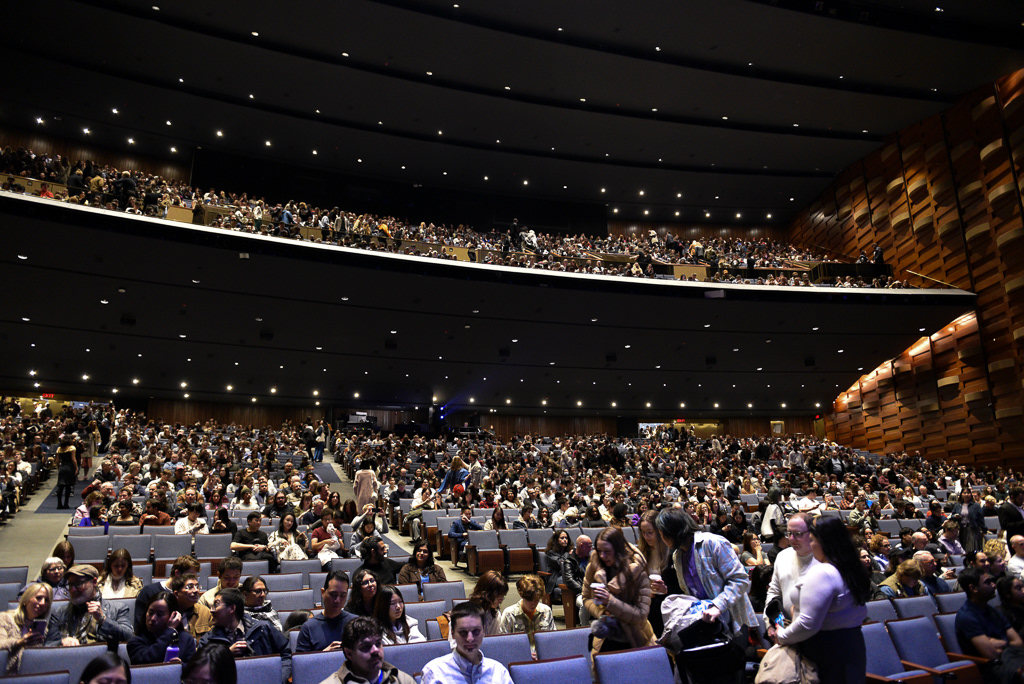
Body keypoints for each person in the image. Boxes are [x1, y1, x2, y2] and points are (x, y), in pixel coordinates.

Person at [775, 516, 870, 684]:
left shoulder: (824, 572)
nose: (810, 545)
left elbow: (807, 623)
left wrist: (781, 635)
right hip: (851, 646)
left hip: (825, 651)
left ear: (825, 542)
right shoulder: (850, 568)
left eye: (812, 540)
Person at [655, 507, 756, 646]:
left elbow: (740, 579)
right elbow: (689, 593)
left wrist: (718, 606)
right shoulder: (677, 556)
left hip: (732, 619)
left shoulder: (713, 543)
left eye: (662, 534)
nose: (662, 539)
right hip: (707, 624)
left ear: (673, 532)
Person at [582, 526, 656, 657]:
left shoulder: (637, 571)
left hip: (635, 637)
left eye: (607, 551)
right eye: (599, 551)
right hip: (606, 636)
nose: (602, 556)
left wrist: (610, 602)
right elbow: (586, 598)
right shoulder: (594, 567)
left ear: (618, 550)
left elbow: (641, 614)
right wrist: (602, 613)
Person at [199, 588, 291, 683]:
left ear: (231, 608)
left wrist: (278, 679)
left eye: (216, 604)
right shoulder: (208, 640)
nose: (211, 610)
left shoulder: (263, 629)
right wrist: (226, 655)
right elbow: (201, 672)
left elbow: (286, 656)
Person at [955, 567, 1024, 684]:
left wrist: (998, 643)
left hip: (1013, 658)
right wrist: (1007, 643)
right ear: (973, 588)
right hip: (991, 669)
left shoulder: (993, 611)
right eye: (987, 583)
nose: (993, 585)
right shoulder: (967, 617)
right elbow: (991, 655)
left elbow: (1018, 643)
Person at [421, 601, 514, 684]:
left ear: (484, 631)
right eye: (463, 632)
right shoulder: (434, 672)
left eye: (476, 631)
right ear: (452, 634)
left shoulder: (498, 671)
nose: (470, 638)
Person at [45, 564, 134, 645]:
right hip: (68, 658)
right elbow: (48, 645)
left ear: (94, 582)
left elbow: (129, 638)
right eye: (70, 585)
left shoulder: (117, 608)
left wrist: (103, 620)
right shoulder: (59, 613)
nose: (72, 590)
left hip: (102, 659)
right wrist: (61, 642)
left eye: (78, 584)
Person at [764, 512, 819, 640]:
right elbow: (773, 592)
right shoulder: (782, 556)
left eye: (798, 534)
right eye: (789, 534)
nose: (791, 539)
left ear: (812, 533)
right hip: (786, 628)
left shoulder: (823, 560)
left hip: (816, 633)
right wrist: (769, 624)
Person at [317, 616, 416, 684]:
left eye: (378, 644)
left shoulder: (402, 680)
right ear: (349, 653)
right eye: (365, 647)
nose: (375, 650)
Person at [126, 590, 198, 665]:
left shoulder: (186, 639)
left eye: (159, 614)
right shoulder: (135, 642)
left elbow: (193, 671)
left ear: (173, 616)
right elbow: (149, 661)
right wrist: (170, 631)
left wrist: (180, 666)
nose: (153, 618)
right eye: (150, 613)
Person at [134, 555, 201, 633]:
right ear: (177, 573)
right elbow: (140, 626)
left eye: (195, 577)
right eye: (190, 575)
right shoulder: (149, 592)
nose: (193, 580)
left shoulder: (188, 596)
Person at [296, 570, 355, 652]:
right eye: (333, 594)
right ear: (323, 592)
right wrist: (324, 655)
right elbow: (301, 663)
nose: (337, 600)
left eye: (343, 595)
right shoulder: (308, 628)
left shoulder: (355, 623)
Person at [0, 581, 51, 673]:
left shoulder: (43, 627)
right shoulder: (4, 618)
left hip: (30, 675)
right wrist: (19, 642)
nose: (43, 603)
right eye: (38, 598)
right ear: (26, 600)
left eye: (46, 600)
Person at [451, 570, 508, 647]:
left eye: (503, 596)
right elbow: (454, 646)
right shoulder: (462, 615)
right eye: (498, 596)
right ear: (486, 594)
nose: (501, 600)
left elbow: (495, 644)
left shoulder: (495, 615)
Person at [498, 574, 554, 647]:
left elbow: (552, 639)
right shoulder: (509, 614)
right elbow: (503, 643)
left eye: (536, 600)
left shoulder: (546, 611)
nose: (533, 604)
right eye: (529, 600)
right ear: (522, 595)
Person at [173, 573, 215, 640]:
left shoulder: (204, 612)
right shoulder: (168, 612)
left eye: (197, 587)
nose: (196, 590)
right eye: (190, 587)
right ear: (176, 594)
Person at [562, 534, 592, 627]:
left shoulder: (591, 559)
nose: (591, 549)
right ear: (582, 546)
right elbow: (569, 580)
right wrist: (584, 590)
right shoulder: (570, 561)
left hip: (594, 590)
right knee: (585, 603)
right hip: (579, 592)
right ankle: (584, 628)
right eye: (589, 546)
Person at [543, 529, 572, 603]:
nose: (565, 540)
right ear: (556, 540)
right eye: (562, 538)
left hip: (566, 576)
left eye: (566, 538)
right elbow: (560, 563)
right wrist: (568, 554)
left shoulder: (569, 552)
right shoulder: (550, 553)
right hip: (555, 578)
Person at [55, 434, 78, 510]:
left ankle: (59, 504)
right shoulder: (72, 448)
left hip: (62, 467)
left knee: (60, 486)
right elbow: (73, 459)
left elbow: (57, 461)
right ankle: (66, 504)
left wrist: (59, 468)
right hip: (69, 467)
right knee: (68, 486)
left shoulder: (59, 449)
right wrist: (76, 468)